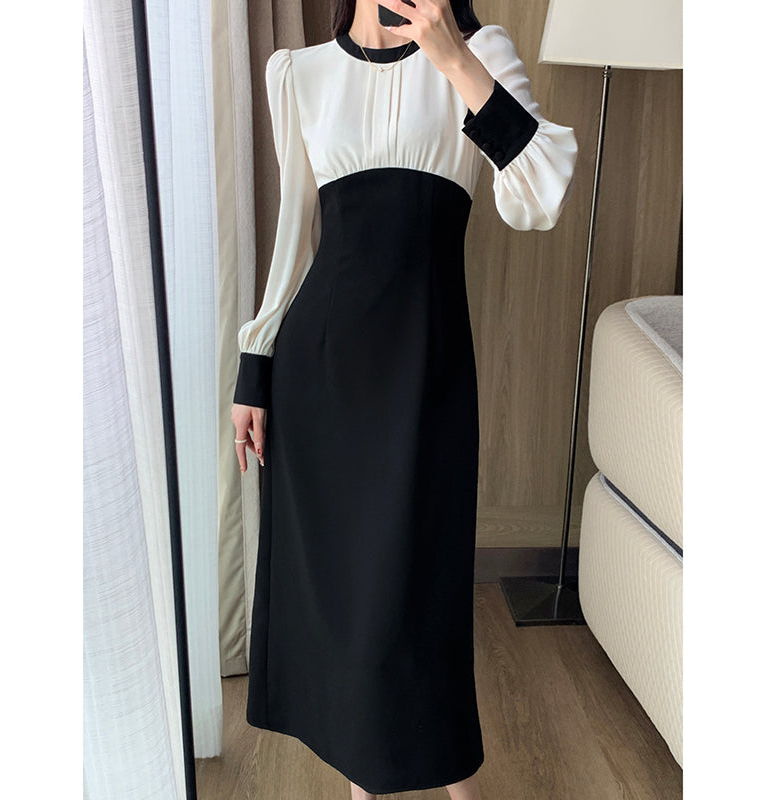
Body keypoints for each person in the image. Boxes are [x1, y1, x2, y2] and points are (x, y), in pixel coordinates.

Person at [231, 1, 578, 798]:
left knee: (418, 583)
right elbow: (295, 235)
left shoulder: (481, 52)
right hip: (318, 372)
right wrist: (254, 363)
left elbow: (541, 195)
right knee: (345, 593)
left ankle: (453, 779)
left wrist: (453, 60)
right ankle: (366, 781)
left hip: (426, 366)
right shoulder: (301, 74)